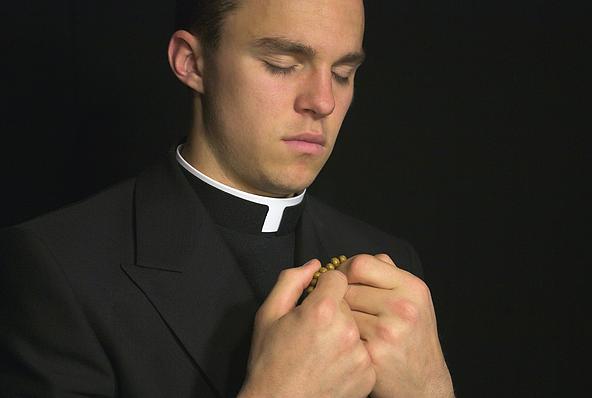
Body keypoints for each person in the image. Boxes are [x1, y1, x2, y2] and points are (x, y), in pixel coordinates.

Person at [0, 0, 454, 397]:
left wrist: (433, 391)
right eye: (282, 63)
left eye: (343, 74)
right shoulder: (57, 268)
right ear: (192, 63)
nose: (323, 101)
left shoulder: (391, 265)